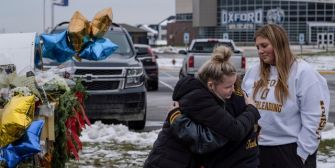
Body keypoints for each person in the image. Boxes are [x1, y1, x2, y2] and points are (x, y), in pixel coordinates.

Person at [144, 46, 260, 168]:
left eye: (234, 85)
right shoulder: (200, 100)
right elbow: (212, 139)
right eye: (228, 87)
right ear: (211, 85)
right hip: (167, 162)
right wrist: (252, 110)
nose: (233, 90)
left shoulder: (208, 95)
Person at [242, 24, 330, 168]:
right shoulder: (253, 72)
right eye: (258, 47)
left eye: (264, 45)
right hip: (257, 148)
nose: (260, 51)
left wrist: (302, 153)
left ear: (278, 43)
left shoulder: (303, 72)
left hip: (290, 150)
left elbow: (316, 118)